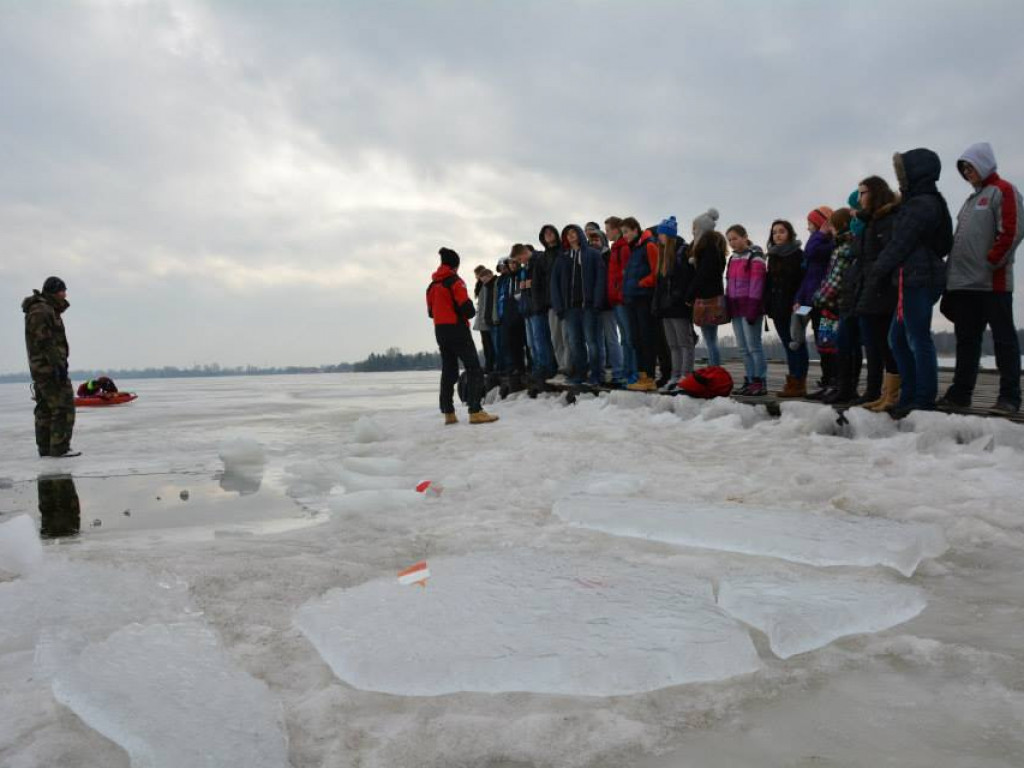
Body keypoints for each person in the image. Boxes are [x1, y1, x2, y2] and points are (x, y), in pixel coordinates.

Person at [867, 148, 953, 417]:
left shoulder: (922, 204)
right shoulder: (919, 202)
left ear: (915, 173)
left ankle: (924, 397)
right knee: (899, 339)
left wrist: (877, 270)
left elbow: (899, 243)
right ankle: (910, 393)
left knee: (917, 338)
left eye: (902, 172)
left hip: (918, 277)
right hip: (911, 277)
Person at [940, 142, 1023, 414]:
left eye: (970, 166)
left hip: (992, 283)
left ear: (984, 163)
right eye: (963, 168)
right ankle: (960, 394)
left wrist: (991, 262)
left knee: (1003, 340)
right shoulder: (970, 201)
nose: (967, 171)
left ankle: (1009, 397)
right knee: (966, 340)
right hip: (964, 284)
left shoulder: (1003, 191)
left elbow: (1011, 231)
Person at [426, 248, 498, 425]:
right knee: (474, 368)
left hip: (440, 331)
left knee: (448, 370)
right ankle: (475, 411)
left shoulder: (432, 286)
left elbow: (430, 312)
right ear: (455, 265)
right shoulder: (455, 282)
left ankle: (448, 412)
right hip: (457, 329)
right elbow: (467, 309)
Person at [852, 176, 901, 411]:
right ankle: (879, 391)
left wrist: (879, 282)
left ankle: (891, 394)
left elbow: (888, 257)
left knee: (885, 343)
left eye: (863, 193)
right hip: (870, 289)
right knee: (873, 344)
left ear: (875, 193)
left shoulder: (887, 220)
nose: (860, 198)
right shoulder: (871, 222)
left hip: (883, 290)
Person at [22, 276, 78, 457]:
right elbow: (45, 341)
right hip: (48, 369)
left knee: (46, 408)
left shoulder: (46, 309)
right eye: (62, 290)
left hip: (44, 368)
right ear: (54, 291)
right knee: (62, 406)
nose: (65, 294)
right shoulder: (42, 311)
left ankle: (46, 449)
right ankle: (59, 448)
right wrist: (58, 366)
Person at [812, 209, 859, 404]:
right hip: (830, 304)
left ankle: (843, 385)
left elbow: (836, 279)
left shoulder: (843, 248)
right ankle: (833, 384)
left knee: (841, 346)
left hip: (836, 304)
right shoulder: (839, 246)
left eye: (831, 225)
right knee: (827, 344)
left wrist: (818, 297)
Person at [790, 206, 835, 398]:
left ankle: (832, 380)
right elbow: (807, 278)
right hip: (810, 303)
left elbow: (810, 250)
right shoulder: (818, 246)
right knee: (818, 340)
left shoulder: (828, 245)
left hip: (825, 304)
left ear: (821, 224)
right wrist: (798, 299)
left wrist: (821, 233)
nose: (808, 228)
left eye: (810, 224)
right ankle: (826, 380)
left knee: (827, 342)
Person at [651, 216, 695, 391]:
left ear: (668, 235)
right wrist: (657, 304)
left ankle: (686, 375)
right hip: (666, 308)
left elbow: (686, 278)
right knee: (673, 345)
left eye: (661, 234)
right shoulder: (663, 256)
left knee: (685, 342)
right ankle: (675, 376)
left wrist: (680, 297)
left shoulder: (682, 252)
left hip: (678, 306)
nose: (658, 237)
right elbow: (660, 284)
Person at [764, 220, 807, 397]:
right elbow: (769, 284)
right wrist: (768, 305)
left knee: (798, 343)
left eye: (781, 231)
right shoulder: (772, 256)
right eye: (774, 232)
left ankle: (799, 381)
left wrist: (802, 305)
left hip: (798, 306)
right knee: (787, 345)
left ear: (789, 233)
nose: (778, 235)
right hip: (778, 307)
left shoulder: (799, 254)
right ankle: (792, 381)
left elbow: (805, 281)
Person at [725, 224, 768, 395]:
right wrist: (727, 303)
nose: (732, 243)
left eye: (735, 238)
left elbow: (757, 284)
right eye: (729, 240)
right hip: (735, 308)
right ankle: (750, 379)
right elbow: (728, 283)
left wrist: (753, 307)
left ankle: (760, 380)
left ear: (745, 237)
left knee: (753, 346)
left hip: (750, 306)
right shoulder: (733, 258)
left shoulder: (755, 256)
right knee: (742, 348)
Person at [622, 217, 660, 391]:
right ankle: (641, 375)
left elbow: (656, 273)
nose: (625, 236)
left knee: (646, 339)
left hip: (644, 299)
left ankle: (650, 376)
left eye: (626, 232)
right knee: (636, 339)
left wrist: (641, 283)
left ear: (635, 230)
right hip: (632, 299)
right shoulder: (634, 249)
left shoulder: (649, 246)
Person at [512, 244, 557, 388]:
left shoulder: (540, 259)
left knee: (541, 340)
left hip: (538, 308)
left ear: (525, 252)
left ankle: (547, 368)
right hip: (528, 309)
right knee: (532, 343)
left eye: (520, 258)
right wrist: (523, 287)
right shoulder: (525, 267)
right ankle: (538, 367)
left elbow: (547, 280)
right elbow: (520, 290)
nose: (520, 262)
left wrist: (533, 284)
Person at [685, 209, 726, 366]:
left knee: (710, 339)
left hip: (707, 298)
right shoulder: (714, 247)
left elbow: (702, 275)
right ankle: (714, 368)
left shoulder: (708, 249)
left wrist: (690, 295)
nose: (693, 230)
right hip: (712, 296)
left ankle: (715, 370)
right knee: (711, 338)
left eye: (695, 227)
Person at [587, 221, 625, 385]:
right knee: (597, 341)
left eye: (597, 240)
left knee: (611, 339)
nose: (595, 243)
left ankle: (618, 372)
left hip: (608, 304)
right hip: (593, 305)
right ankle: (599, 373)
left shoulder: (609, 256)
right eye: (592, 241)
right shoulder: (588, 259)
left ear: (603, 240)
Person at [606, 216, 637, 386]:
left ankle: (632, 371)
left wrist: (621, 294)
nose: (607, 233)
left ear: (616, 230)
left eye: (608, 230)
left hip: (622, 299)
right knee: (624, 337)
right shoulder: (615, 248)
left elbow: (626, 274)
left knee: (628, 337)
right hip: (616, 299)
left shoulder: (623, 248)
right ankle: (626, 371)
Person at [538, 225, 568, 374]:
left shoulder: (564, 251)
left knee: (567, 336)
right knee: (556, 338)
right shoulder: (543, 257)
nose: (548, 235)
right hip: (550, 302)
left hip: (565, 300)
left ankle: (572, 365)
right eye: (545, 234)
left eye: (550, 233)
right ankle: (562, 367)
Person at [473, 266, 499, 378]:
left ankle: (491, 365)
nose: (477, 277)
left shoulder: (486, 286)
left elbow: (486, 304)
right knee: (486, 344)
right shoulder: (480, 286)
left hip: (486, 320)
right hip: (482, 320)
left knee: (490, 344)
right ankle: (489, 364)